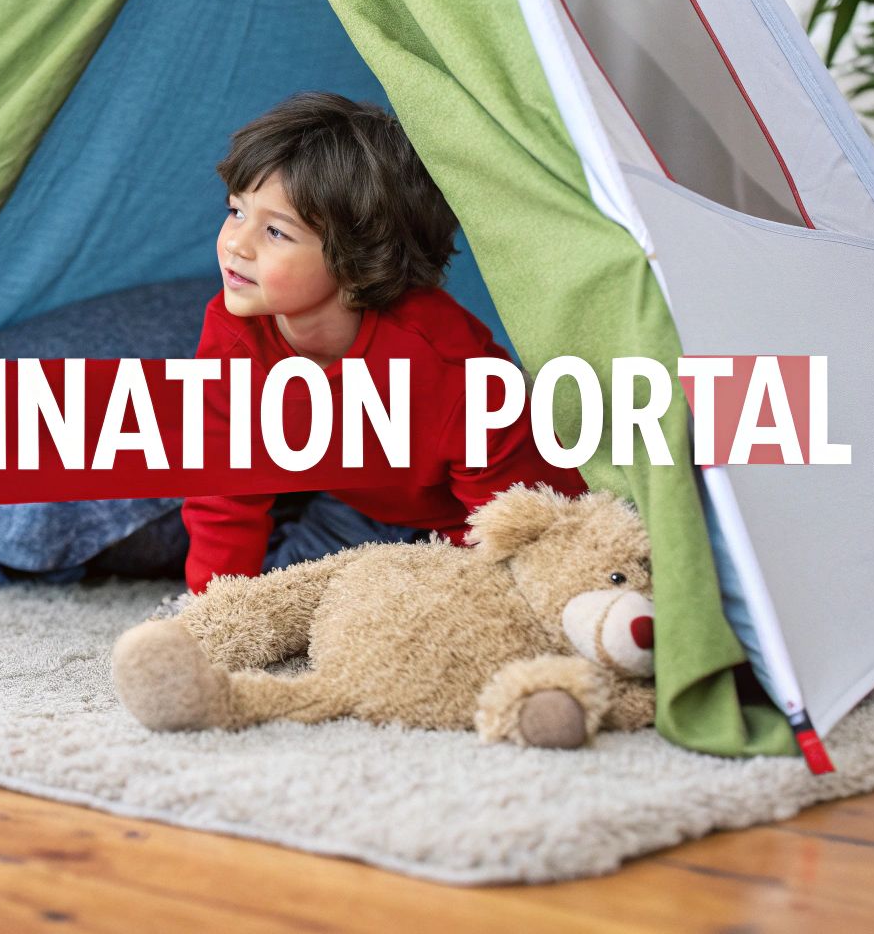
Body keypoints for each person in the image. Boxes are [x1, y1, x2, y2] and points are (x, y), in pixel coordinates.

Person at [182, 91, 587, 596]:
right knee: (284, 597)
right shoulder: (234, 332)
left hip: (467, 516)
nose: (236, 244)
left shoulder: (446, 365)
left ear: (356, 260)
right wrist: (211, 610)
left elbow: (516, 523)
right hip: (356, 507)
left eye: (276, 233)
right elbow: (223, 487)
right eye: (237, 212)